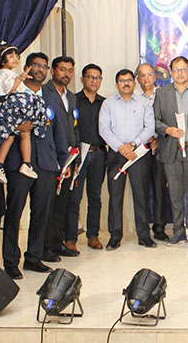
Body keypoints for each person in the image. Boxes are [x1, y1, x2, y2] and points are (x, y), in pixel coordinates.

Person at [1, 52, 70, 279]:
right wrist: (16, 128)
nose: (40, 70)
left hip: (47, 163)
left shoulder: (51, 97)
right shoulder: (14, 91)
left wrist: (63, 160)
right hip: (19, 163)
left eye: (44, 66)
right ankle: (11, 261)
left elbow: (59, 131)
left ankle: (33, 257)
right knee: (14, 213)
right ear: (27, 68)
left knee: (41, 213)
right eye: (35, 65)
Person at [99, 69, 156, 250]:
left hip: (138, 154)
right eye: (122, 81)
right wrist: (121, 148)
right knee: (115, 196)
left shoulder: (144, 103)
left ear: (134, 82)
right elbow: (104, 129)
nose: (126, 83)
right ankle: (115, 236)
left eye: (129, 80)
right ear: (117, 84)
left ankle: (144, 236)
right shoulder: (108, 104)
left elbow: (149, 128)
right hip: (116, 154)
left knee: (141, 195)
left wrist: (133, 145)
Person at [154, 56, 188, 246]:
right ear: (171, 72)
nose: (180, 73)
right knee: (175, 194)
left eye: (183, 69)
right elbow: (154, 120)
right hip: (171, 149)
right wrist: (167, 130)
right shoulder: (162, 93)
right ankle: (177, 232)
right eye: (176, 70)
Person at [0, 40, 46, 184]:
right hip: (8, 109)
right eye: (11, 56)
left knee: (20, 134)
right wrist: (21, 77)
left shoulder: (9, 73)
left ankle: (22, 163)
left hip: (12, 109)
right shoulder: (3, 74)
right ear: (1, 60)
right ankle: (5, 163)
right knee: (14, 133)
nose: (15, 59)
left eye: (16, 56)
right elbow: (9, 89)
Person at [42, 56, 81, 261]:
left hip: (69, 158)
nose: (66, 74)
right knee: (48, 205)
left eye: (70, 70)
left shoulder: (71, 97)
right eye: (62, 69)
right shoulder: (44, 93)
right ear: (53, 71)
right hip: (51, 157)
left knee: (62, 205)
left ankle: (56, 244)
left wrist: (75, 159)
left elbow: (74, 128)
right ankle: (45, 247)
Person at [67, 64, 108, 250]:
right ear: (82, 79)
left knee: (95, 197)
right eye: (90, 77)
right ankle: (70, 238)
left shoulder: (105, 103)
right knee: (74, 198)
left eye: (97, 78)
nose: (94, 81)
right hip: (78, 155)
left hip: (99, 153)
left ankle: (93, 236)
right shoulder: (73, 100)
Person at [136, 63, 170, 242]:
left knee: (159, 191)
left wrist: (158, 137)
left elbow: (167, 120)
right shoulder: (133, 97)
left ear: (155, 77)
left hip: (160, 148)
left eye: (149, 75)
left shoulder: (164, 95)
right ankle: (142, 230)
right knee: (140, 191)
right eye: (142, 75)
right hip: (139, 150)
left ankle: (159, 227)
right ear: (137, 79)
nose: (146, 78)